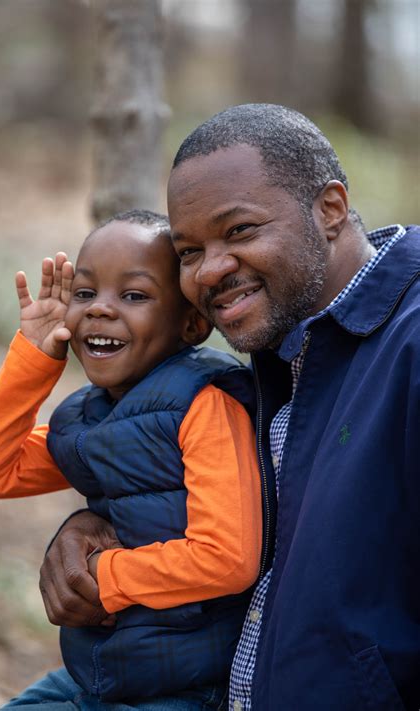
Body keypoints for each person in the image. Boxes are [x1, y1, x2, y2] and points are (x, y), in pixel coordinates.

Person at [41, 105, 420, 711]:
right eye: (189, 251)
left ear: (329, 209)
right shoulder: (279, 349)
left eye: (239, 231)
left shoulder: (409, 345)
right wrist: (96, 523)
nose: (210, 270)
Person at [0, 209, 263, 710]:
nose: (99, 309)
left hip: (186, 684)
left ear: (190, 323)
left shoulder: (205, 405)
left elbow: (227, 558)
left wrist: (104, 576)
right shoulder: (90, 418)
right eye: (84, 293)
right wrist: (33, 358)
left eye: (134, 295)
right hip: (102, 674)